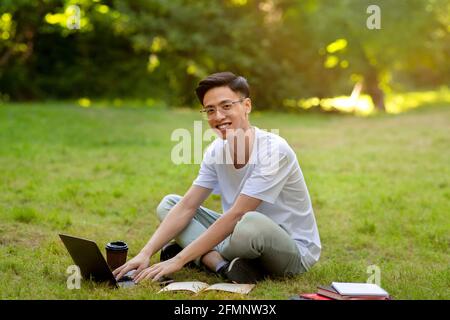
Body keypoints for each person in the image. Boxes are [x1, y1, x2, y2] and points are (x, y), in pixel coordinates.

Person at [113, 72, 321, 284]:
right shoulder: (216, 150)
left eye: (226, 106)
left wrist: (178, 259)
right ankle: (221, 265)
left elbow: (238, 214)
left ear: (247, 105)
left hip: (291, 251)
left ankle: (204, 257)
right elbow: (187, 206)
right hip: (236, 235)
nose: (218, 116)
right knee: (169, 204)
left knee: (249, 222)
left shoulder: (274, 151)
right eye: (210, 110)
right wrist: (145, 253)